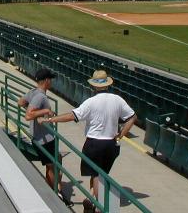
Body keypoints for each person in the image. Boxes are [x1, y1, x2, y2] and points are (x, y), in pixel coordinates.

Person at [41, 70, 136, 212]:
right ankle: (92, 198)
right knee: (101, 174)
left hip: (94, 144)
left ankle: (97, 205)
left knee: (96, 175)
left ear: (94, 86)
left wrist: (49, 119)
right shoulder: (117, 99)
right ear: (108, 84)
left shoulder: (91, 102)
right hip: (111, 144)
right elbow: (132, 117)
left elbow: (72, 116)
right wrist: (121, 134)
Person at [17, 68, 71, 206]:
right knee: (53, 166)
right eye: (50, 79)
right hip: (44, 139)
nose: (51, 82)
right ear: (46, 80)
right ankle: (56, 195)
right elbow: (28, 115)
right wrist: (45, 111)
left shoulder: (33, 92)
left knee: (55, 161)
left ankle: (54, 189)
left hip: (41, 137)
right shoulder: (40, 96)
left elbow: (21, 102)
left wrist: (38, 114)